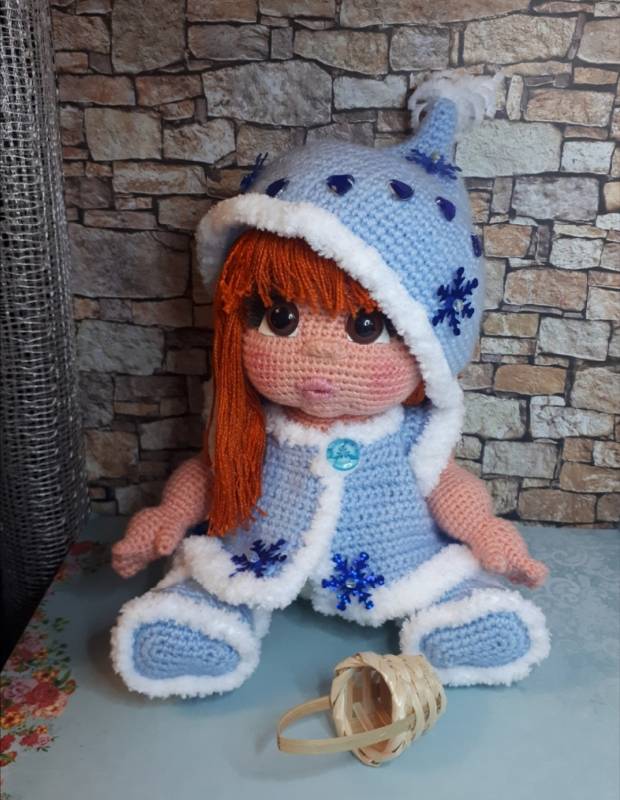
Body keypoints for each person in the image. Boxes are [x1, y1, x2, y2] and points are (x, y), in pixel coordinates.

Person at [110, 74, 550, 699]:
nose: (316, 353)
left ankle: (464, 613)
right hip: (254, 552)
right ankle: (199, 619)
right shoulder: (250, 425)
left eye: (366, 327)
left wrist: (483, 530)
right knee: (211, 572)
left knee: (441, 578)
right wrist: (169, 515)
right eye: (280, 318)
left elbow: (447, 487)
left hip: (399, 561)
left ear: (427, 342)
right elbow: (209, 474)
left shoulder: (411, 435)